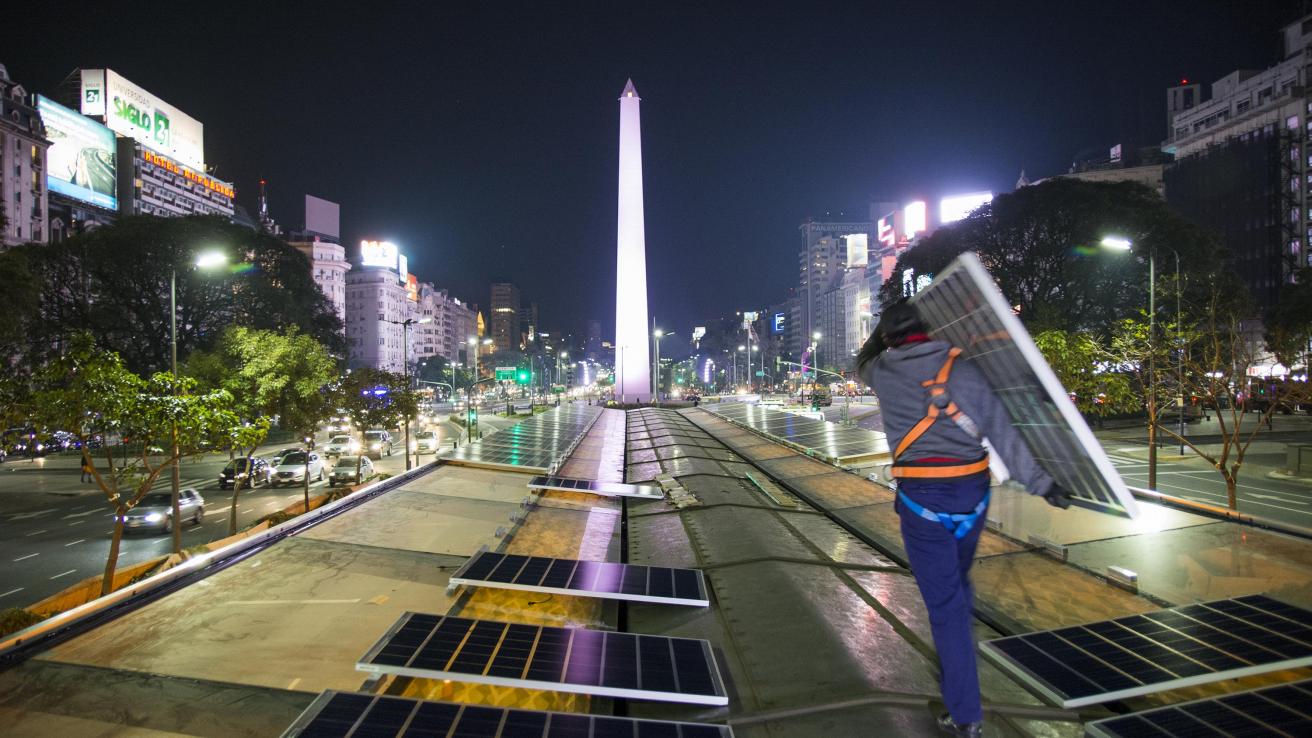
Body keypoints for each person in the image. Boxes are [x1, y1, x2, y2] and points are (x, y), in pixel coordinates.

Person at [857, 299, 1072, 738]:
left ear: (887, 338)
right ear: (930, 329)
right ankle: (957, 662)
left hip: (922, 505)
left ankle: (965, 714)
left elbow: (859, 360)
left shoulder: (880, 371)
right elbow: (1001, 431)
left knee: (946, 608)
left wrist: (877, 341)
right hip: (973, 496)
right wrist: (1042, 484)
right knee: (958, 585)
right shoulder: (965, 369)